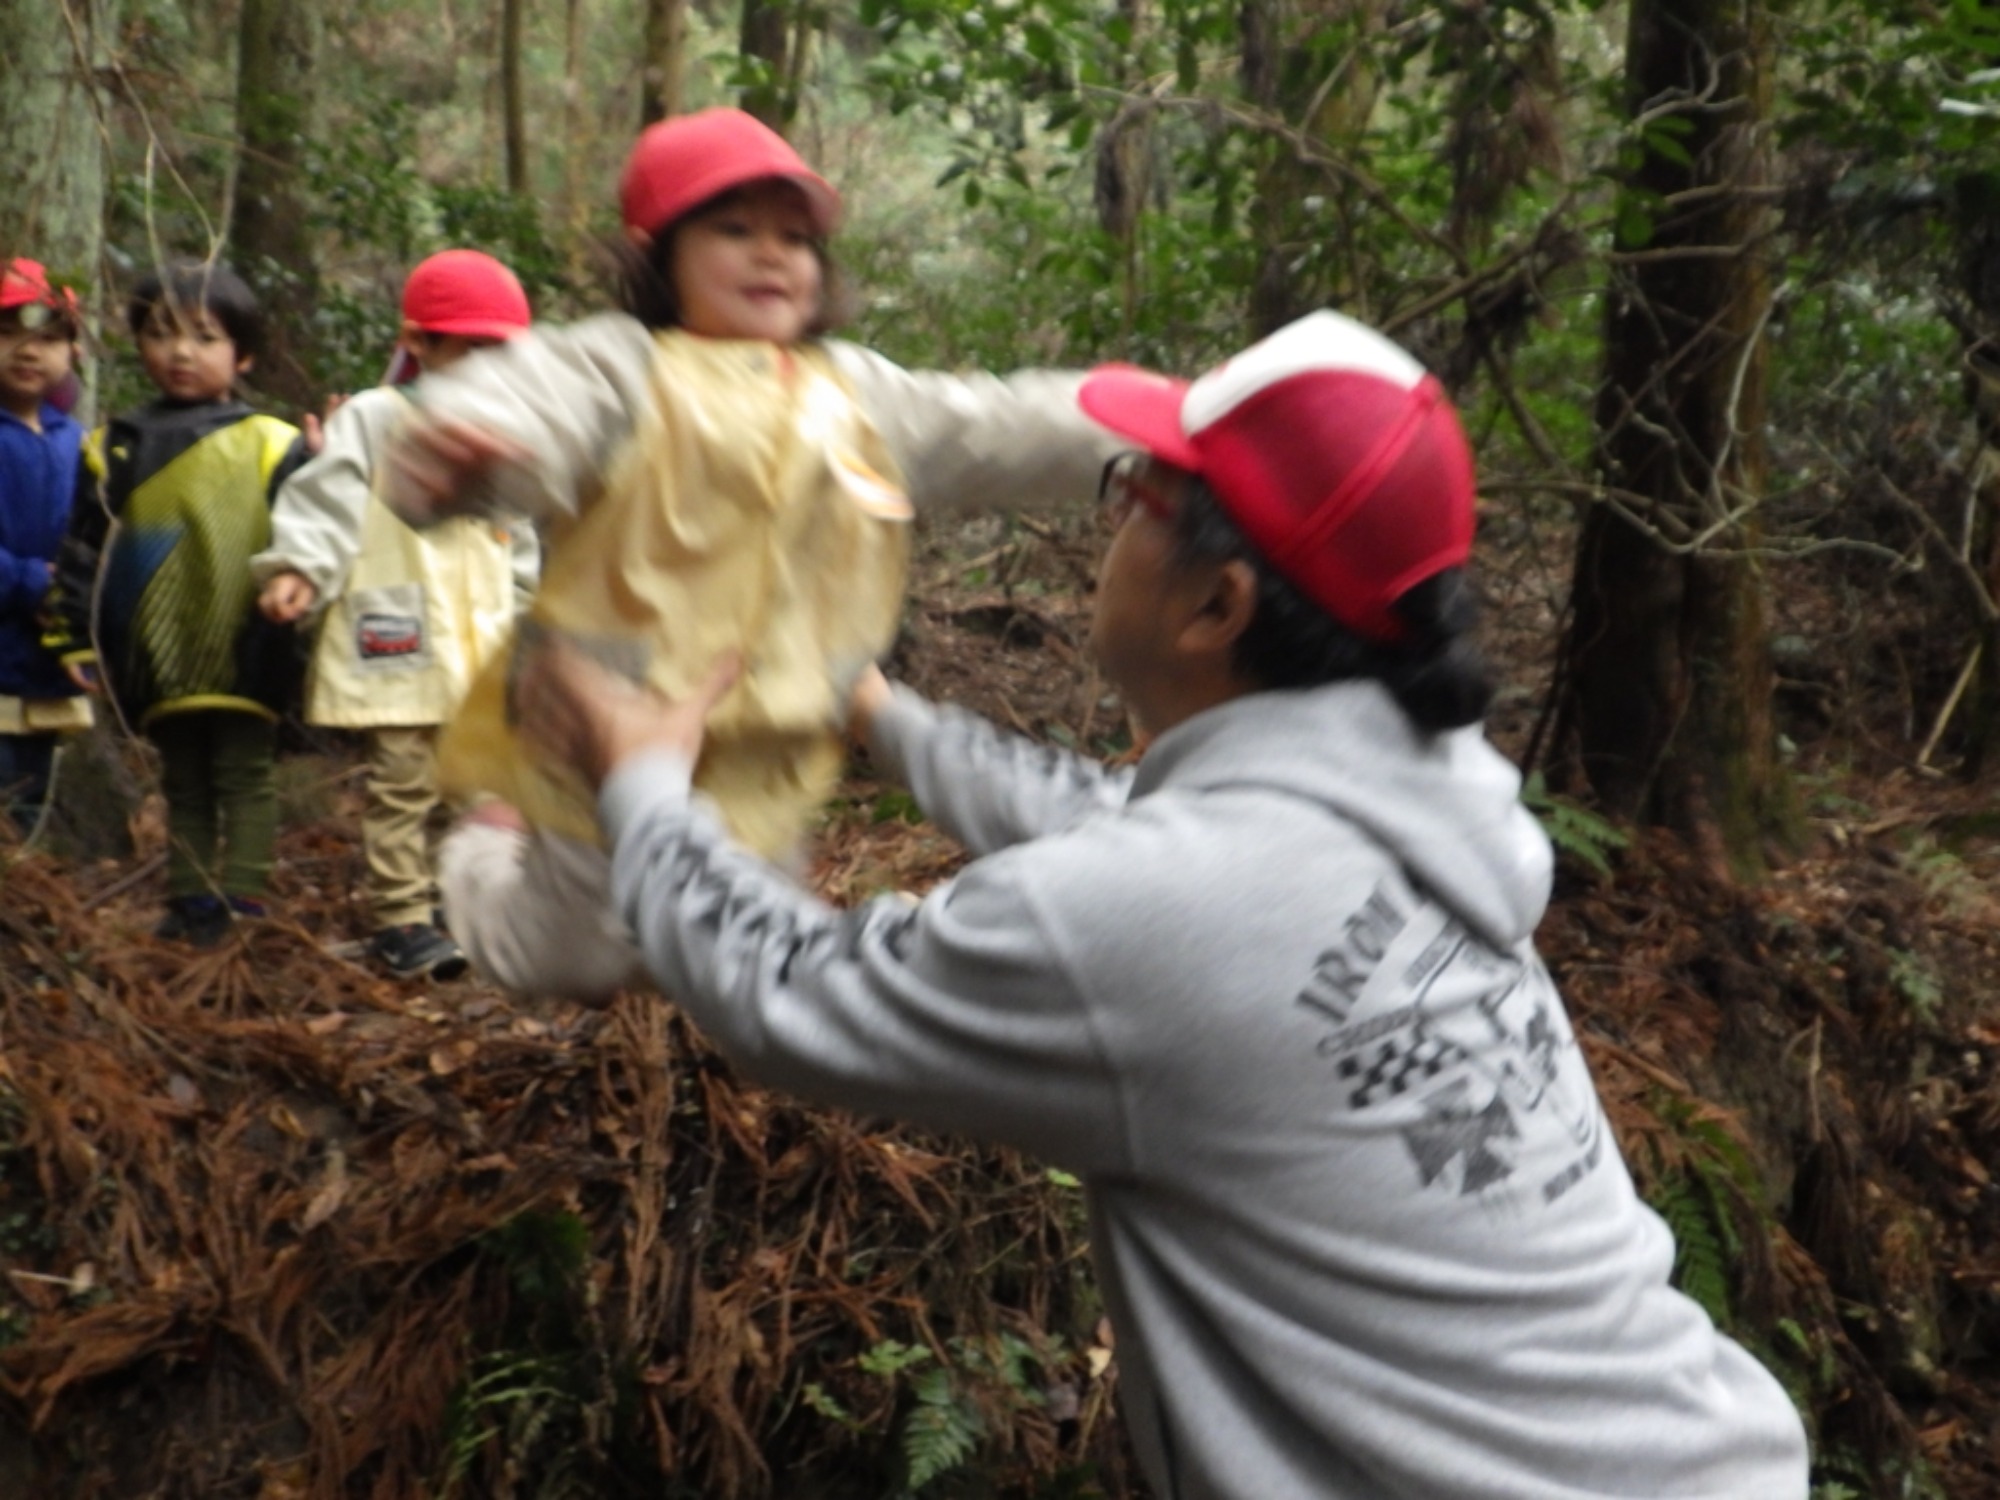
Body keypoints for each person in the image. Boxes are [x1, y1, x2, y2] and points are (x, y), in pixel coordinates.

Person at [509, 310, 1812, 1499]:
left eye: (1139, 494)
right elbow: (1108, 819)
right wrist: (876, 714)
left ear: (1218, 601)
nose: (1112, 523)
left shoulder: (1158, 912)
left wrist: (640, 783)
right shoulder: (1424, 796)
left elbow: (799, 993)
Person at [380, 106, 1119, 999]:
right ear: (661, 257)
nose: (772, 255)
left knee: (746, 969)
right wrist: (465, 448)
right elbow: (532, 401)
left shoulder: (852, 395)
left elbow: (994, 426)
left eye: (796, 238)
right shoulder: (623, 368)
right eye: (733, 230)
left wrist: (1161, 427)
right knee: (568, 961)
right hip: (602, 730)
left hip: (766, 754)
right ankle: (487, 844)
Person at [252, 250, 540, 978]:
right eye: (473, 347)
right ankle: (400, 915)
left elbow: (522, 543)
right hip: (401, 626)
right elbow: (329, 495)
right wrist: (301, 568)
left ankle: (459, 903)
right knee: (403, 779)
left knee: (475, 784)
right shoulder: (378, 419)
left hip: (481, 640)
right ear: (418, 343)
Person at [47, 259, 308, 947]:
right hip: (155, 648)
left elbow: (312, 543)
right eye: (162, 334)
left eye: (204, 336)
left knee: (246, 771)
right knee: (184, 777)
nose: (181, 352)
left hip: (248, 638)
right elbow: (82, 550)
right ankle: (191, 899)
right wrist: (74, 638)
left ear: (242, 353)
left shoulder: (273, 444)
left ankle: (244, 899)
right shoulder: (114, 446)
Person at [0, 258, 93, 837]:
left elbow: (95, 539)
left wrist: (80, 610)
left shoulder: (78, 441)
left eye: (48, 338)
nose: (28, 351)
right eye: (7, 333)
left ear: (72, 353)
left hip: (48, 659)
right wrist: (32, 581)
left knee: (30, 799)